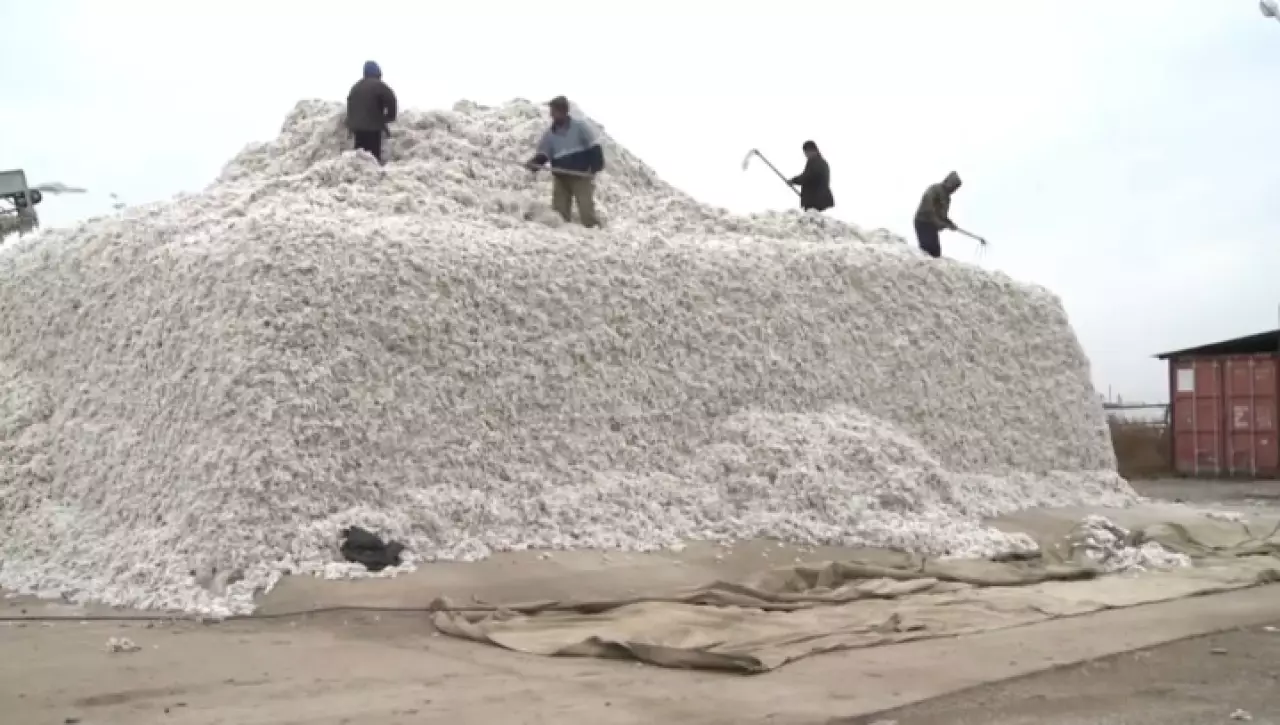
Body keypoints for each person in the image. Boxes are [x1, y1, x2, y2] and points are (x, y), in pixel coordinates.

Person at [525, 96, 605, 227]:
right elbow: (543, 155)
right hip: (561, 178)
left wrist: (595, 167)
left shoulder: (580, 127)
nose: (552, 115)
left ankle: (597, 234)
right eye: (551, 111)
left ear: (564, 111)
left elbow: (594, 148)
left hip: (581, 176)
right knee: (559, 216)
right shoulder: (549, 135)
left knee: (587, 212)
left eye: (554, 111)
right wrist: (533, 164)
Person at [345, 61, 398, 164]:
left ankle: (359, 175)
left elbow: (350, 105)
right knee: (373, 156)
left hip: (357, 129)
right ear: (378, 73)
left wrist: (350, 125)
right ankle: (373, 173)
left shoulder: (355, 87)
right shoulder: (380, 86)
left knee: (360, 156)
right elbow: (391, 100)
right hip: (373, 129)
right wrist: (389, 117)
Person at [913, 171, 963, 258]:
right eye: (953, 185)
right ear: (947, 181)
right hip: (923, 222)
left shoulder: (947, 199)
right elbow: (928, 208)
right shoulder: (934, 189)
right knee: (927, 250)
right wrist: (938, 222)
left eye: (955, 188)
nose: (953, 189)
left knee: (936, 253)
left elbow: (942, 216)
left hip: (932, 226)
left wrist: (949, 223)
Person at [788, 141, 835, 212]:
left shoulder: (815, 162)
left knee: (814, 220)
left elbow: (807, 176)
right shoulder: (822, 162)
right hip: (821, 200)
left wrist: (793, 181)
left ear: (813, 150)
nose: (806, 155)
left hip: (816, 201)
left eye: (806, 153)